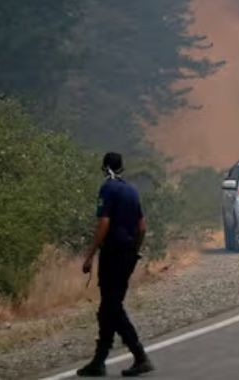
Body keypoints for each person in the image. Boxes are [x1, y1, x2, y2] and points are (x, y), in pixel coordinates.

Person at [78, 153, 154, 377]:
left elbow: (103, 224)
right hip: (127, 255)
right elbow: (142, 226)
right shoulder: (131, 190)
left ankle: (140, 356)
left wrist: (90, 255)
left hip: (112, 255)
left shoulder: (107, 189)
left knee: (112, 307)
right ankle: (99, 361)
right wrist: (135, 251)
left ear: (104, 167)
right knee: (108, 308)